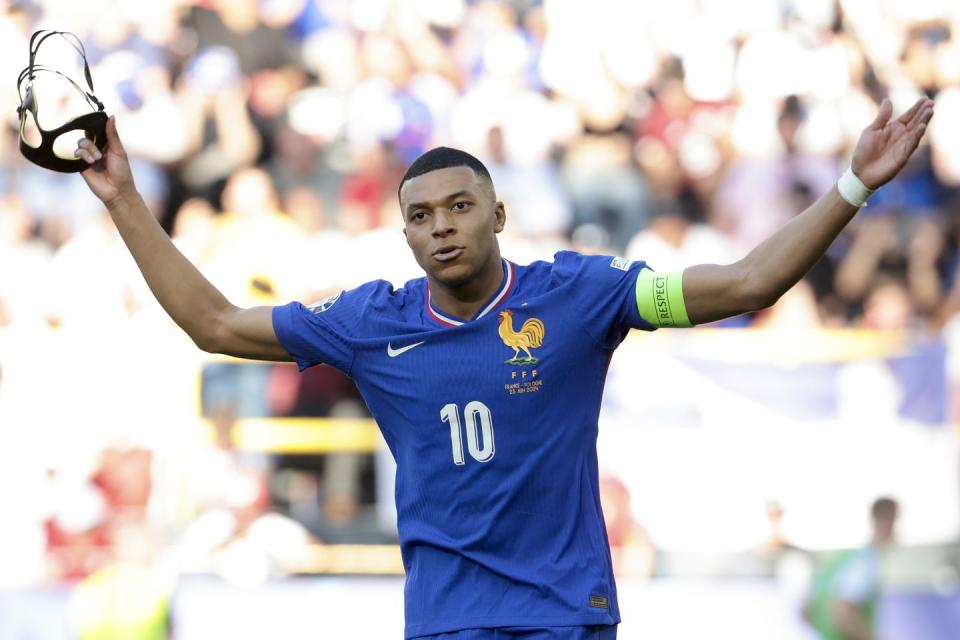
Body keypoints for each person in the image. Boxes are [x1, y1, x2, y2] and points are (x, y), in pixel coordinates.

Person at [74, 97, 933, 639]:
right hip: (447, 624)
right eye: (422, 215)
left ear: (499, 214)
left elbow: (750, 280)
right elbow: (213, 321)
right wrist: (120, 195)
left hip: (565, 616)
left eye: (459, 206)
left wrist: (852, 185)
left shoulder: (581, 297)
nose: (441, 226)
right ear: (403, 233)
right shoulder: (369, 321)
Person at [804, 497, 900, 640]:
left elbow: (807, 612)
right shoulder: (865, 563)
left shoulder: (839, 562)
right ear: (890, 520)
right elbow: (844, 612)